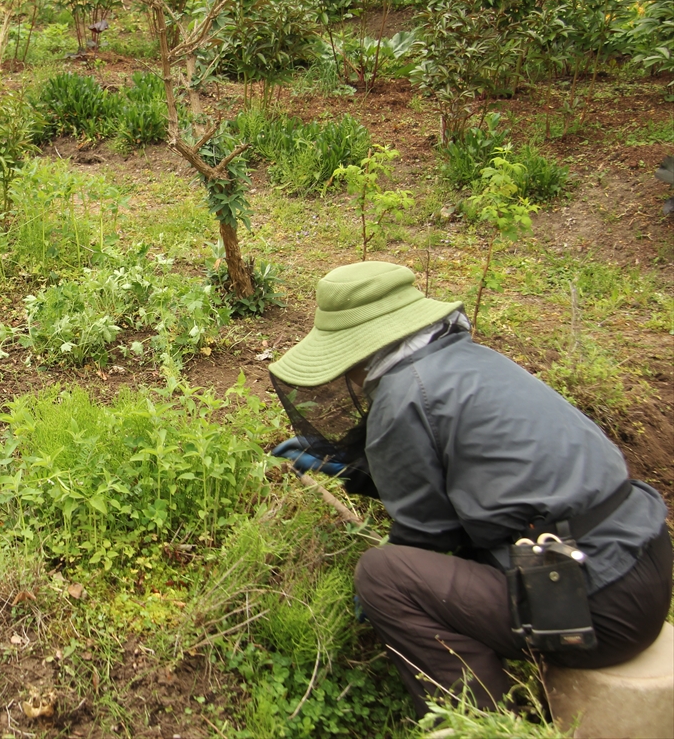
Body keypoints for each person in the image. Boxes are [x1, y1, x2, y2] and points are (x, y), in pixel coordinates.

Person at [267, 260, 671, 716]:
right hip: (645, 564)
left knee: (384, 577)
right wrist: (353, 469)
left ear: (361, 352)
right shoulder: (473, 361)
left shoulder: (403, 394)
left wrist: (382, 593)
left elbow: (430, 532)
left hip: (595, 602)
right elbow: (462, 478)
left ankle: (483, 721)